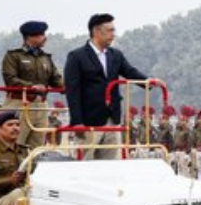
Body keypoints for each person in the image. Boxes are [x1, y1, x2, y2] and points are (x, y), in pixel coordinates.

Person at [64, 13, 149, 160]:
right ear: (96, 31)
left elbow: (129, 71)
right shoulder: (77, 56)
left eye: (113, 30)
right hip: (88, 120)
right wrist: (77, 122)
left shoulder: (115, 55)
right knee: (86, 162)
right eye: (109, 30)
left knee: (111, 164)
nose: (113, 35)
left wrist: (149, 82)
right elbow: (73, 91)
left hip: (112, 119)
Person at [1, 21, 64, 149]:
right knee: (15, 144)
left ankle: (34, 169)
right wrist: (31, 87)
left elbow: (56, 80)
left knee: (38, 147)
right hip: (19, 104)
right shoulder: (13, 56)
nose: (45, 37)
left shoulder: (45, 58)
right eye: (41, 34)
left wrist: (72, 87)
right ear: (30, 37)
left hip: (40, 106)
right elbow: (10, 79)